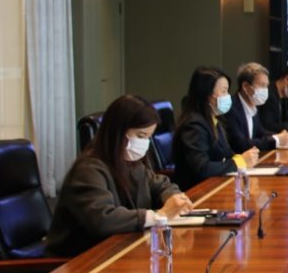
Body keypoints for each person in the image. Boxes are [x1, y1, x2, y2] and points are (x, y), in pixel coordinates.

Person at [46, 95, 193, 256]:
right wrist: (158, 216)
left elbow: (160, 184)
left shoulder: (130, 161)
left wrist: (173, 197)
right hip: (81, 259)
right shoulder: (88, 169)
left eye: (148, 137)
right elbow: (102, 219)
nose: (145, 144)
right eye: (140, 136)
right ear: (118, 132)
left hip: (117, 248)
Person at [173, 66, 260, 189]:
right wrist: (239, 162)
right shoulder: (193, 125)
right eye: (224, 91)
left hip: (215, 185)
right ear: (207, 95)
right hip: (196, 191)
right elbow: (202, 168)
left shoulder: (214, 120)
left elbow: (227, 154)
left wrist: (245, 157)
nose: (228, 96)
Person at [223, 62, 288, 153]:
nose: (265, 90)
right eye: (262, 85)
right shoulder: (231, 108)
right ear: (245, 86)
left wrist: (281, 136)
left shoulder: (253, 105)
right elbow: (241, 144)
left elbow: (260, 132)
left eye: (267, 86)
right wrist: (276, 139)